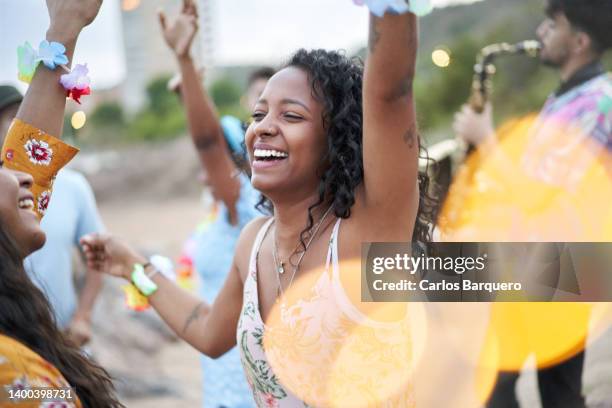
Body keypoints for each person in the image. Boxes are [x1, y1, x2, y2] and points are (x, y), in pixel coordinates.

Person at [81, 1, 435, 406]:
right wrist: (133, 267)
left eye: (292, 116)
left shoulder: (365, 234)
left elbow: (389, 96)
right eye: (259, 114)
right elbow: (208, 331)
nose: (264, 127)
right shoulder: (253, 243)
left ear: (335, 139)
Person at [447, 0, 612, 406]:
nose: (540, 33)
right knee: (552, 392)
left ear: (579, 40)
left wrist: (486, 139)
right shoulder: (569, 97)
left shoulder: (598, 103)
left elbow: (539, 194)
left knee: (504, 391)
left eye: (552, 25)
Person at [0, 0, 122, 406]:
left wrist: (65, 29)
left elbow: (31, 158)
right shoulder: (13, 372)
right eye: (2, 165)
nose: (21, 176)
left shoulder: (21, 344)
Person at [158, 2, 270, 406]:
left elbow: (209, 139)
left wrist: (185, 62)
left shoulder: (250, 202)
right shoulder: (223, 210)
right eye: (259, 106)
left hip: (246, 392)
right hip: (218, 386)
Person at [0, 85, 106, 348]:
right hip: (14, 353)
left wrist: (83, 317)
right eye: (10, 119)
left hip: (67, 344)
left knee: (65, 392)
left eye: (22, 117)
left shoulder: (73, 186)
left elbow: (98, 255)